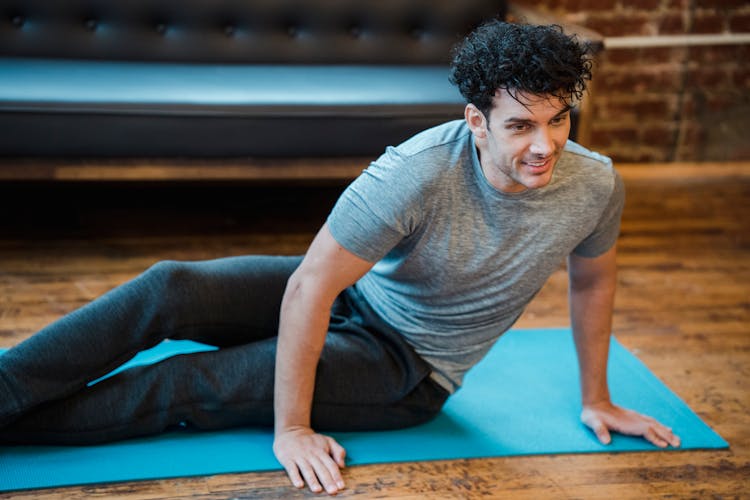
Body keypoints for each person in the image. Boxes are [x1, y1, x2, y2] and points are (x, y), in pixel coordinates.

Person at [0, 20, 680, 495]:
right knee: (171, 287)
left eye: (559, 119)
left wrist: (598, 398)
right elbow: (310, 288)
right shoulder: (413, 172)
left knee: (194, 380)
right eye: (521, 125)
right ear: (476, 120)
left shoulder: (594, 184)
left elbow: (591, 282)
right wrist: (291, 427)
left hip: (409, 372)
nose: (546, 144)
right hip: (361, 300)